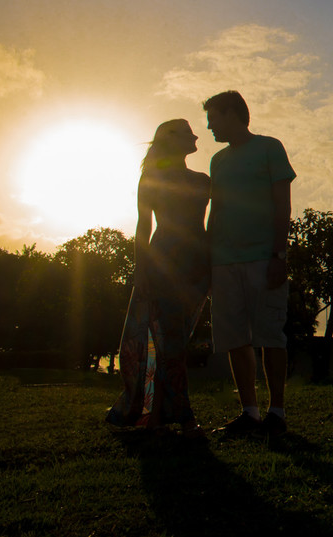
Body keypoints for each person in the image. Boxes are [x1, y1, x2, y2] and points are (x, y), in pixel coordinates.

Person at [106, 120, 210, 438]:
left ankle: (159, 414)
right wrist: (141, 270)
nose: (195, 136)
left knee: (176, 340)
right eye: (187, 132)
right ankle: (176, 416)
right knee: (164, 343)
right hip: (163, 264)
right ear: (171, 139)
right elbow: (143, 227)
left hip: (197, 266)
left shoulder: (204, 180)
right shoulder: (151, 179)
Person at [203, 91, 296, 437]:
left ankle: (277, 412)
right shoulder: (218, 161)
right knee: (234, 338)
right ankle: (249, 413)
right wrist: (209, 258)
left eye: (213, 119)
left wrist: (278, 255)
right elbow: (217, 211)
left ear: (231, 114)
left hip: (263, 258)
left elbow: (282, 207)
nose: (210, 127)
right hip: (224, 262)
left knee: (270, 336)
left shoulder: (270, 147)